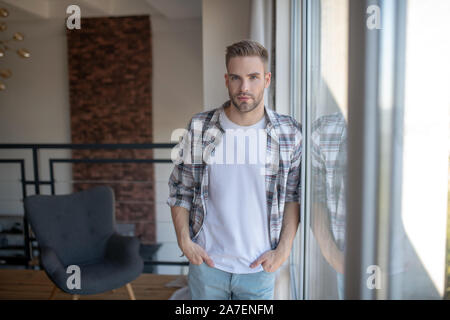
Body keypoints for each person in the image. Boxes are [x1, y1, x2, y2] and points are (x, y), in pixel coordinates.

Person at [167, 40, 302, 300]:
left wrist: (283, 251)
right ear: (226, 80)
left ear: (267, 79)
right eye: (236, 78)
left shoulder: (288, 132)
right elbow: (180, 190)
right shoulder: (200, 127)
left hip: (260, 268)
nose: (244, 88)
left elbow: (292, 198)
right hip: (207, 265)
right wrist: (185, 241)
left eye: (253, 77)